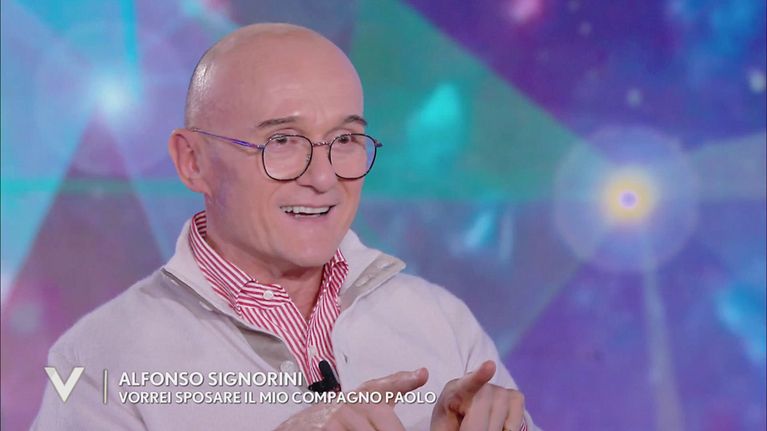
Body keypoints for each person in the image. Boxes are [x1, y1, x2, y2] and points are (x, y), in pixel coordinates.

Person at [33, 23, 536, 431]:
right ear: (193, 161)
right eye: (283, 141)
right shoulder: (100, 360)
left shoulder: (441, 322)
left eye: (345, 140)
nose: (324, 177)